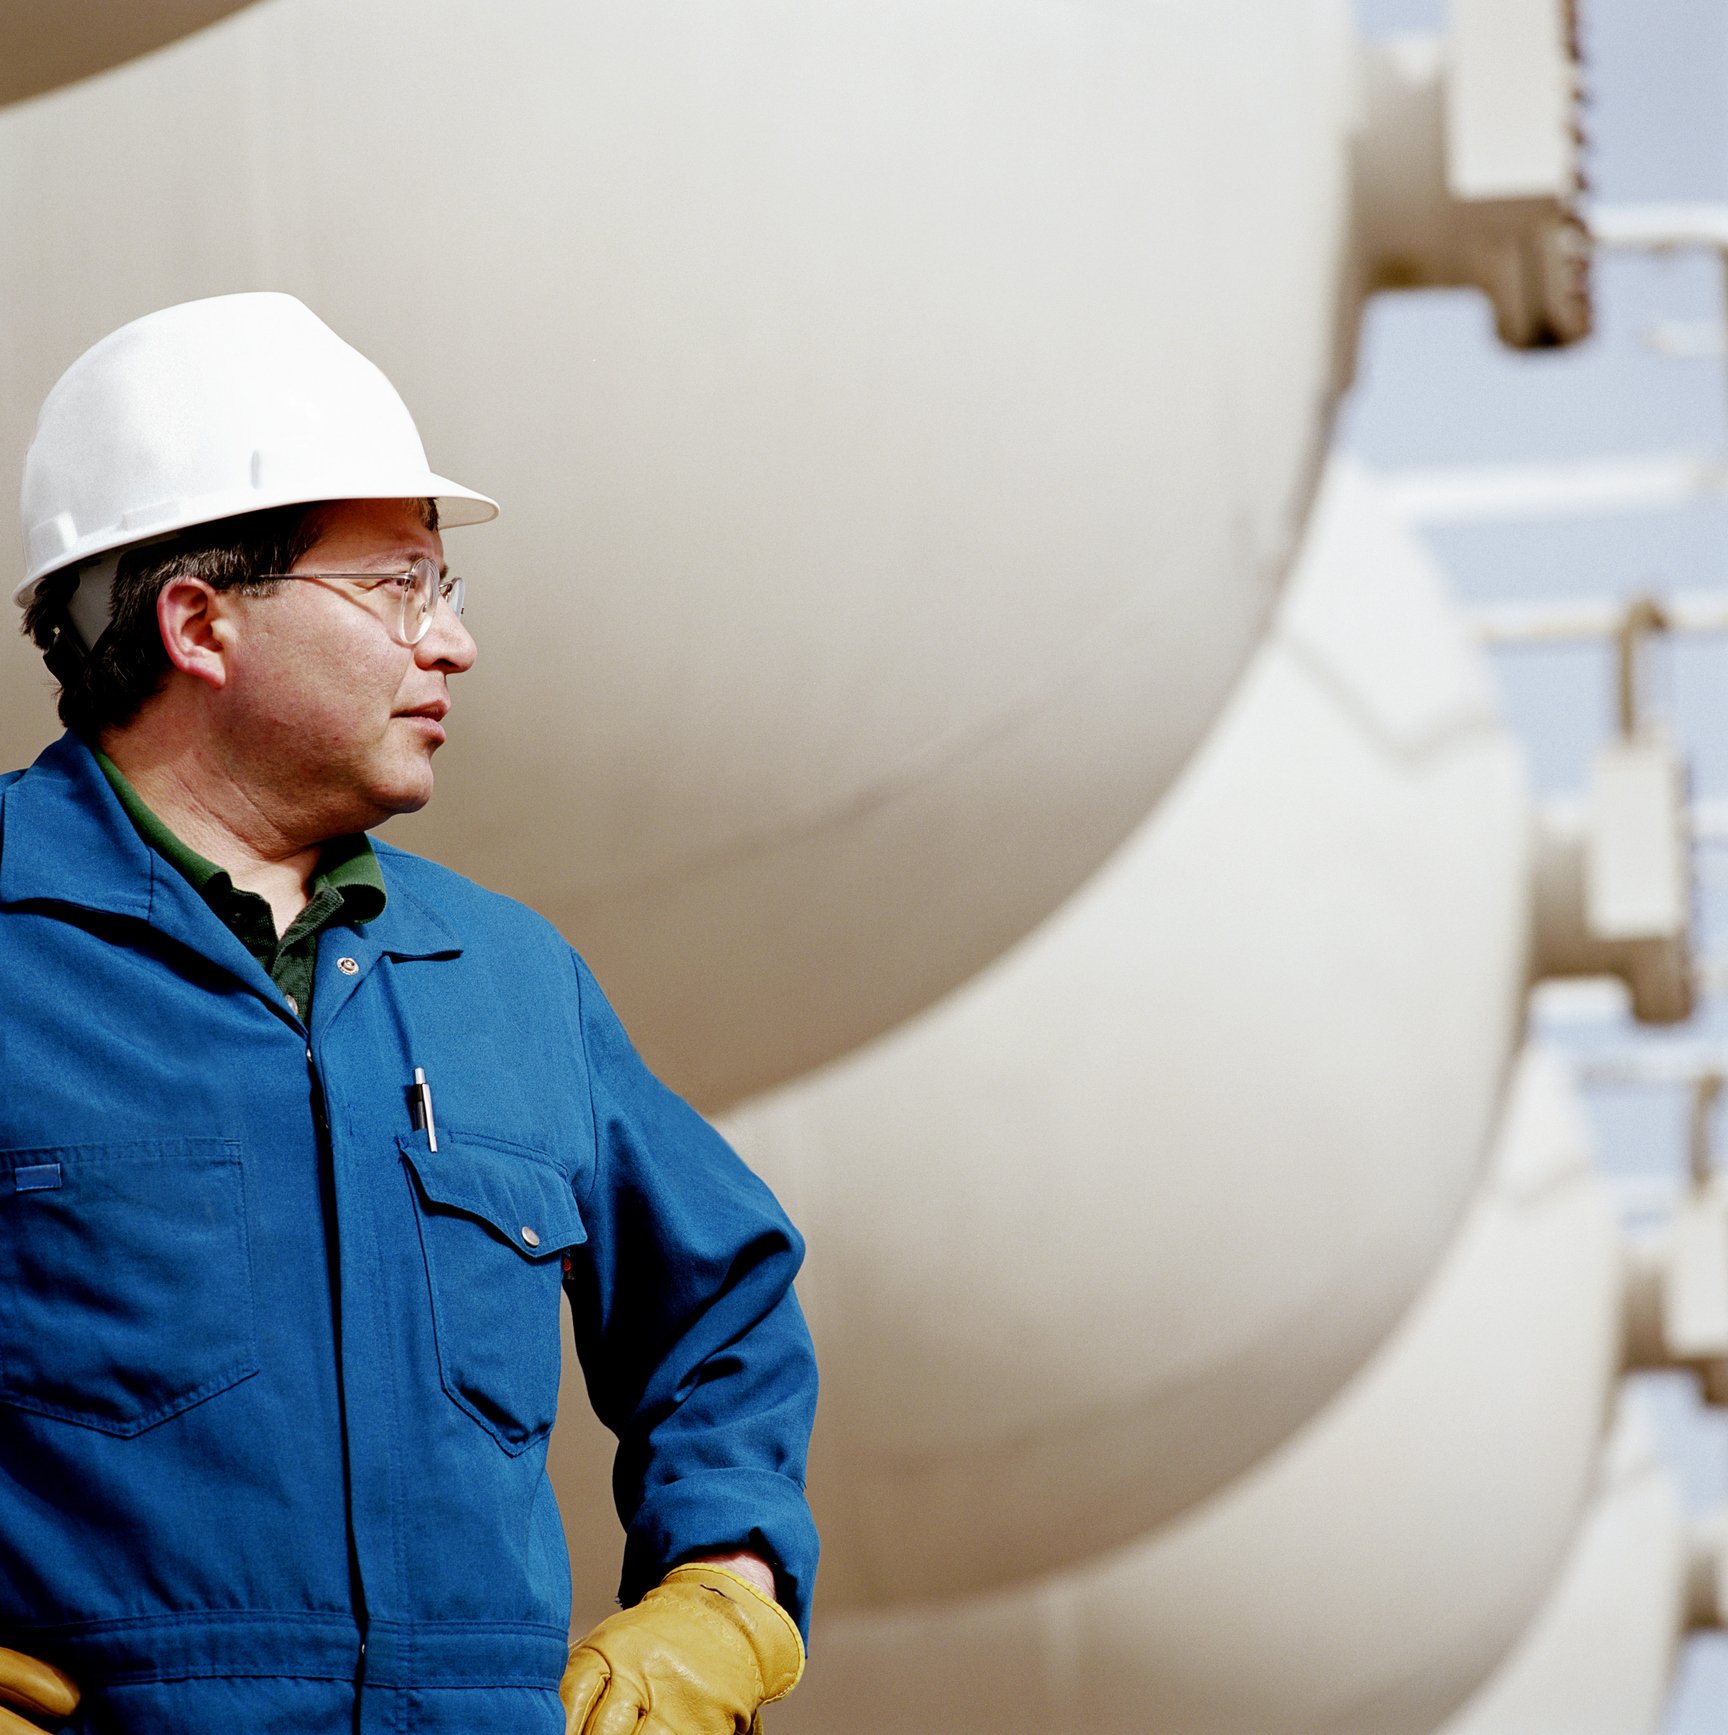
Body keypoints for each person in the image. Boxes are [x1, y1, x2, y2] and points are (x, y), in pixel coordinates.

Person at [0, 294, 818, 1735]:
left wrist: (729, 1588)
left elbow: (725, 1308)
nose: (454, 646)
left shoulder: (509, 981)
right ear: (200, 621)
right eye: (400, 589)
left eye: (446, 588)